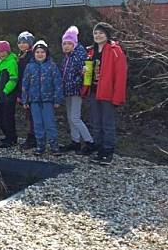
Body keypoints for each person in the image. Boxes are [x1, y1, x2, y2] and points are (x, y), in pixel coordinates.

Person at [83, 22, 128, 165]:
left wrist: (117, 97)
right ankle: (99, 148)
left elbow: (121, 75)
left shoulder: (116, 51)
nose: (98, 35)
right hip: (93, 92)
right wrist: (83, 72)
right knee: (96, 123)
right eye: (95, 33)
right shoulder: (90, 51)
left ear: (107, 34)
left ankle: (108, 151)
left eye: (101, 33)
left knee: (107, 124)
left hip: (108, 93)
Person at [21, 40, 63, 155]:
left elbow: (58, 83)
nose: (40, 54)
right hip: (34, 101)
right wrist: (25, 99)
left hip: (48, 100)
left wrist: (57, 99)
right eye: (37, 52)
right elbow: (25, 84)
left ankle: (54, 145)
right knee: (38, 124)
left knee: (50, 123)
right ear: (34, 54)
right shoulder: (30, 67)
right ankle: (40, 145)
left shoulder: (52, 66)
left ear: (46, 53)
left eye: (42, 52)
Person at [59, 26, 95, 155]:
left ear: (75, 43)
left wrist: (75, 84)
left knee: (75, 118)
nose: (67, 46)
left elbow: (83, 73)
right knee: (70, 117)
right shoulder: (67, 56)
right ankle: (75, 141)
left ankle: (90, 142)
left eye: (69, 43)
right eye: (64, 44)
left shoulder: (79, 55)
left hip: (76, 91)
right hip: (67, 90)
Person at [0, 40, 19, 148]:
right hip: (0, 96)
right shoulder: (1, 62)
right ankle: (9, 136)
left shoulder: (11, 61)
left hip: (8, 96)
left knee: (7, 118)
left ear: (8, 51)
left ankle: (11, 139)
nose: (2, 53)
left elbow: (14, 79)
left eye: (4, 51)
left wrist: (5, 90)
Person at [16, 30, 37, 150]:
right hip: (23, 91)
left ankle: (33, 138)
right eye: (20, 42)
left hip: (30, 91)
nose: (22, 44)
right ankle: (32, 136)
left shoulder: (31, 57)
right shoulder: (22, 56)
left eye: (25, 42)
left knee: (33, 116)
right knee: (29, 116)